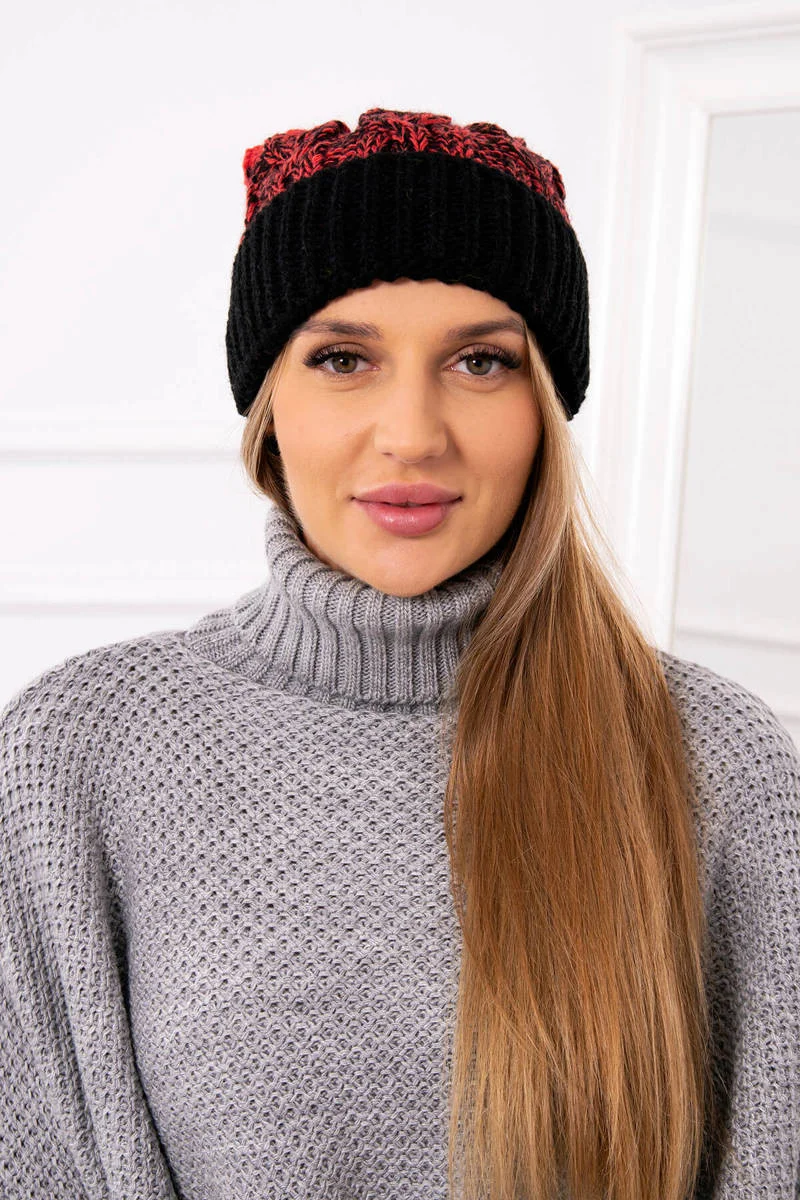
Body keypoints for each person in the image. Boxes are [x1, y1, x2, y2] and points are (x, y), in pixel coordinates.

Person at [0, 106, 798, 1200]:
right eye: (342, 358)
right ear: (268, 405)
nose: (413, 432)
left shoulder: (715, 760)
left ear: (546, 409)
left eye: (480, 361)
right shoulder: (81, 750)